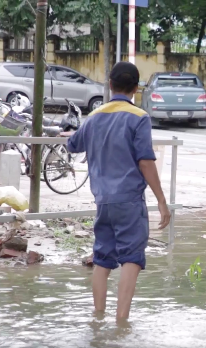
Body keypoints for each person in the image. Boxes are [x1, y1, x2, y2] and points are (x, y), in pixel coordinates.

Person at [62, 61, 171, 322]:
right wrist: (162, 201)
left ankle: (98, 318)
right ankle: (122, 323)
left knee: (102, 259)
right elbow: (145, 161)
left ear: (110, 85)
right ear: (136, 88)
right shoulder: (139, 118)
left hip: (103, 202)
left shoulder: (95, 116)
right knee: (131, 259)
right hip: (130, 202)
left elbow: (72, 144)